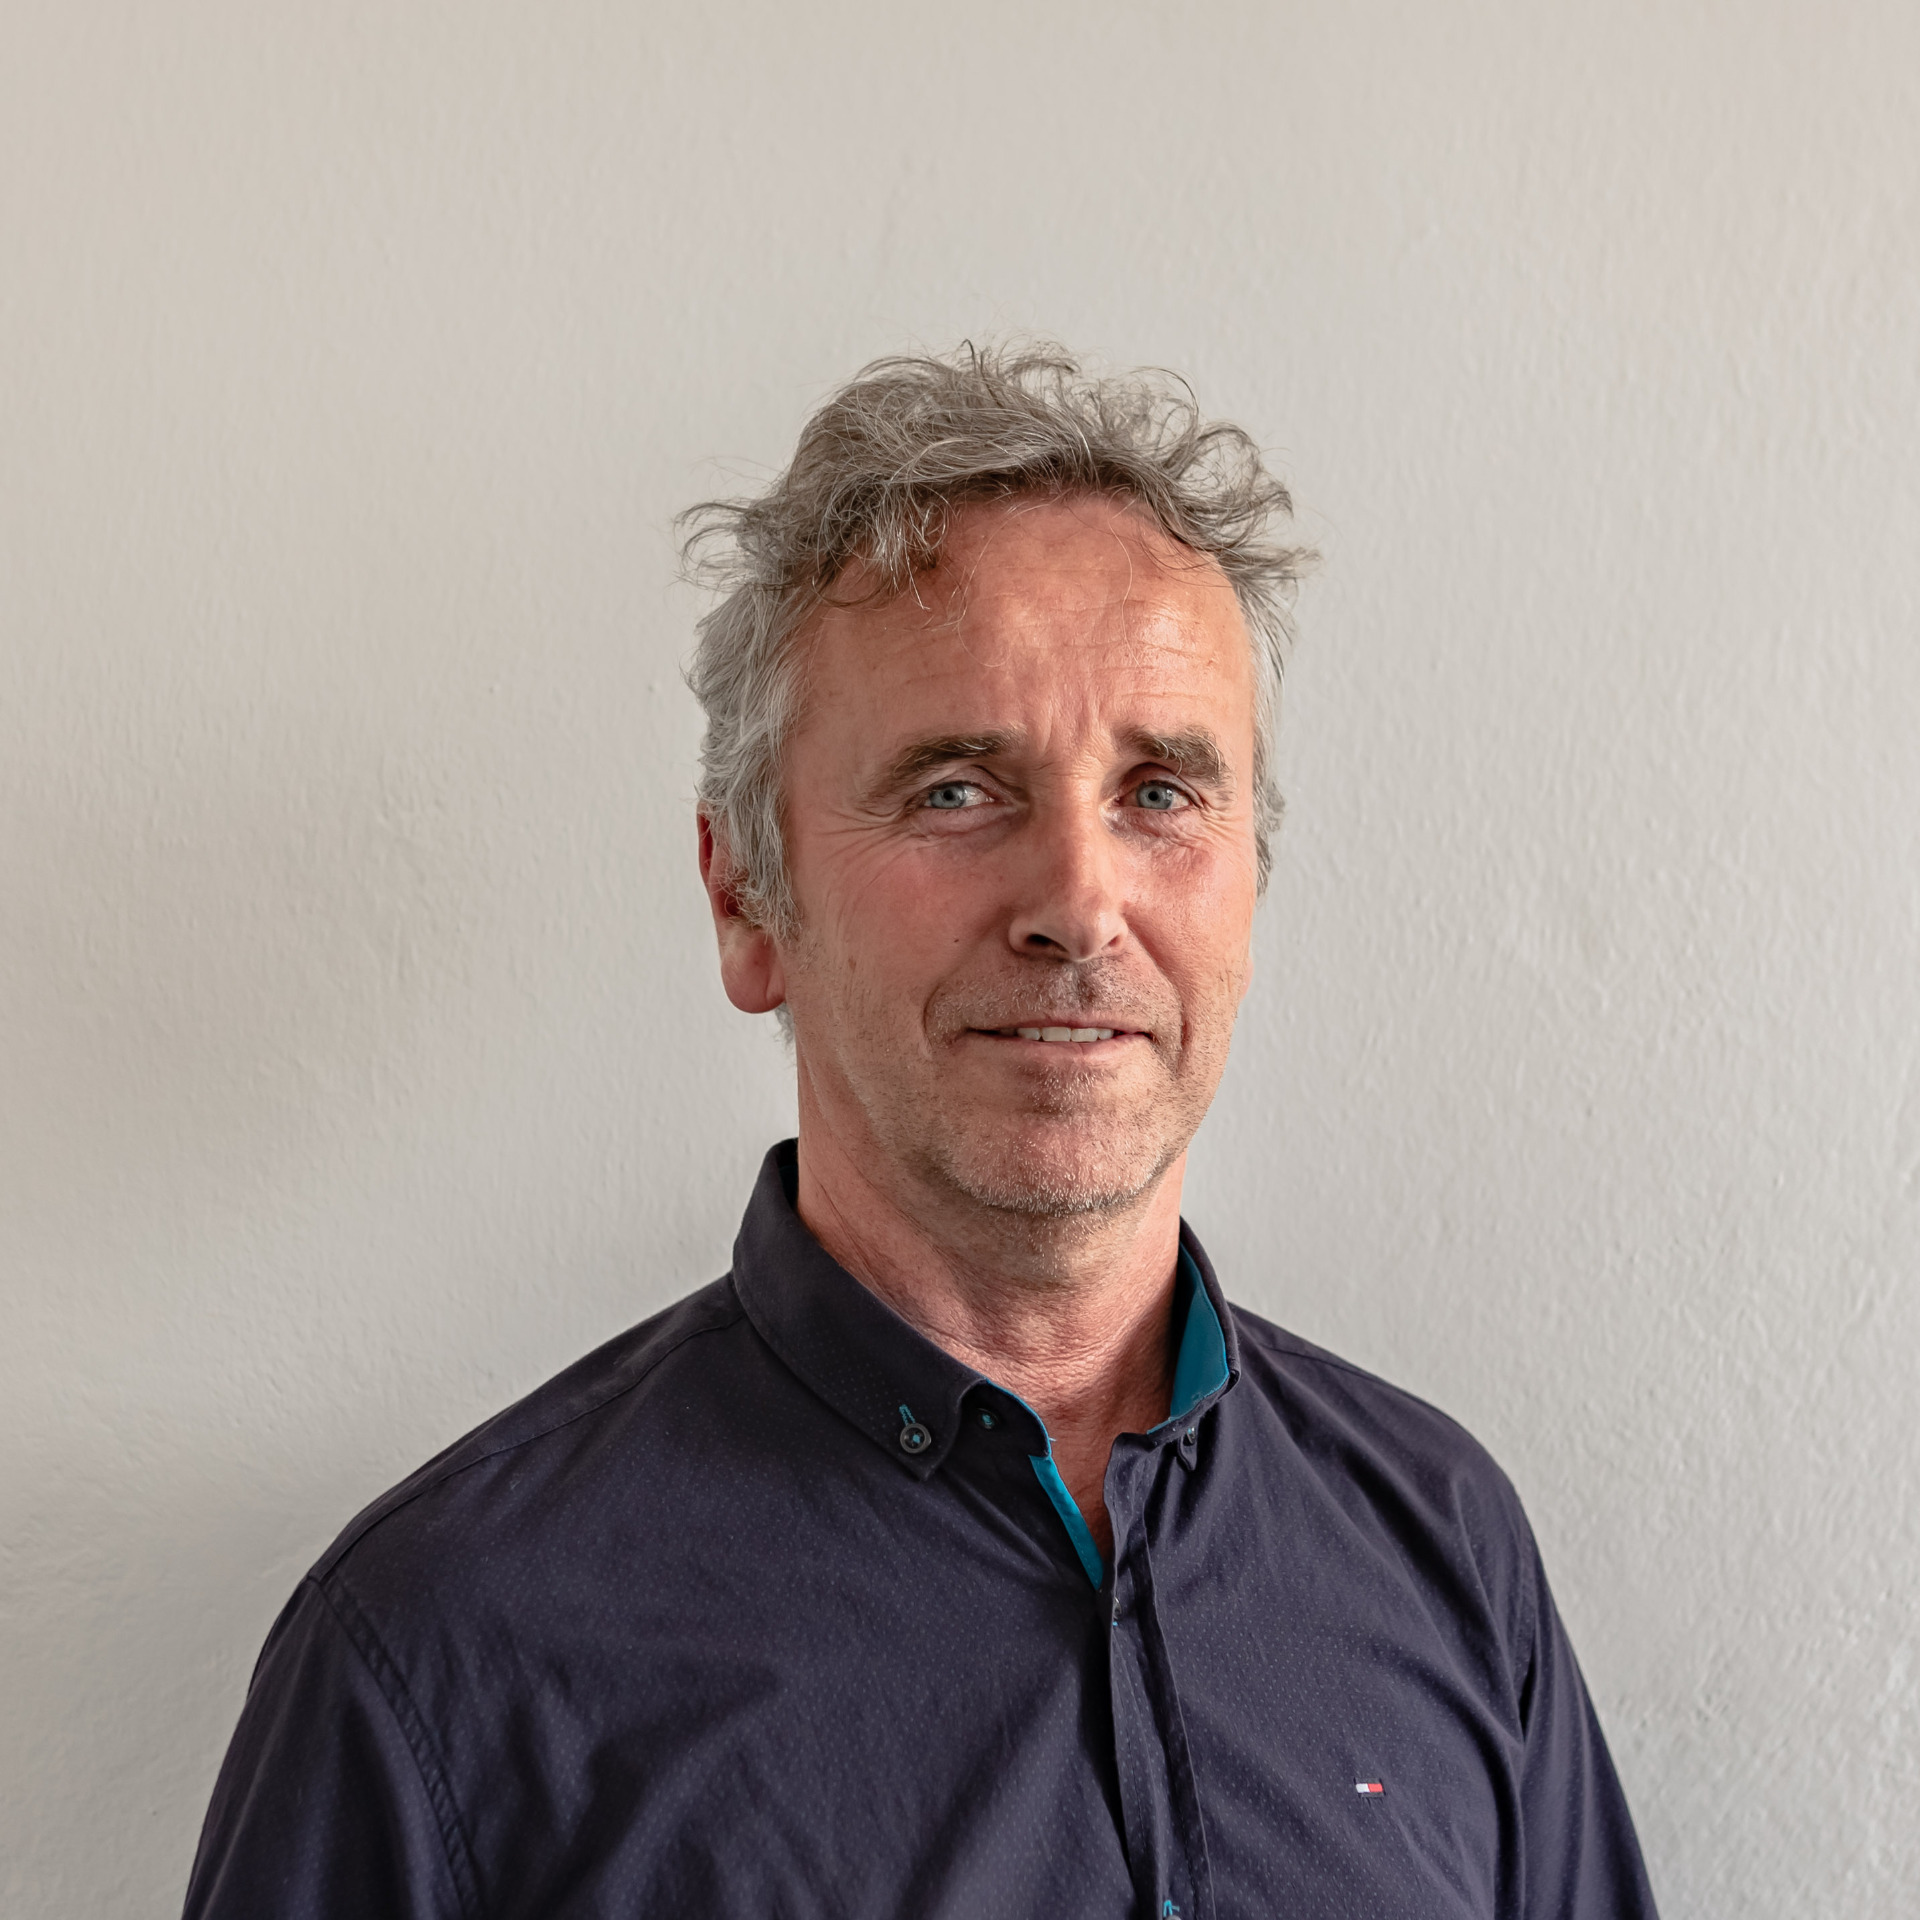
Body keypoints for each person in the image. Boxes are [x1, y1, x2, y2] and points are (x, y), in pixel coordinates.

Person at [184, 345, 1658, 1919]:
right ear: (748, 896)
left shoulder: (1440, 1544)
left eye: (1162, 793)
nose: (1079, 901)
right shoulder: (446, 1651)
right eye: (957, 790)